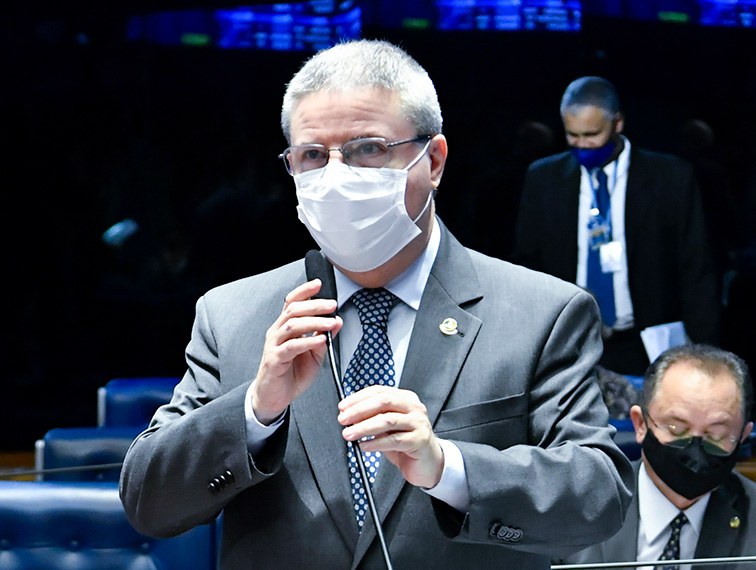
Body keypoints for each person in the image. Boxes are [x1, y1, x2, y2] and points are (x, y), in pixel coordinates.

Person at [119, 39, 635, 569]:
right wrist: (255, 411)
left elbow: (599, 500)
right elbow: (147, 502)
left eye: (367, 148)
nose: (336, 177)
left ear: (433, 161)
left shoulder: (543, 313)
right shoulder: (232, 315)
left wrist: (448, 467)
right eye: (312, 156)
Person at [511, 76, 720, 377]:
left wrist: (704, 356)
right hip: (571, 343)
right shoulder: (544, 179)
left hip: (648, 343)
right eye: (573, 135)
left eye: (592, 134)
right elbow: (527, 265)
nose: (582, 144)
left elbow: (696, 268)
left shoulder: (670, 178)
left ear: (618, 123)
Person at [557, 344, 756, 568]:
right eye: (676, 429)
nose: (695, 448)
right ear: (640, 424)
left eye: (716, 434)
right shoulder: (578, 503)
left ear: (743, 435)